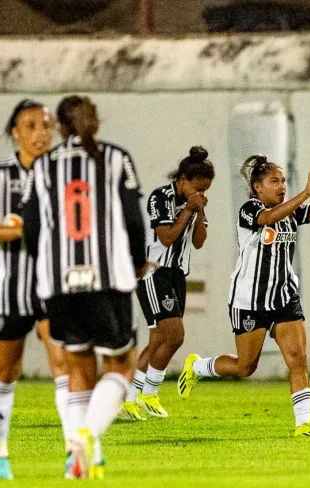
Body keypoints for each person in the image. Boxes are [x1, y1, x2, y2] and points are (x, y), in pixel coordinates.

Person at [177, 156, 310, 437]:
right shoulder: (250, 209)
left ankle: (303, 424)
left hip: (284, 296)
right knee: (245, 367)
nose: (281, 186)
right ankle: (197, 366)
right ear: (257, 187)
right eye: (274, 181)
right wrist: (305, 193)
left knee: (297, 358)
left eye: (283, 181)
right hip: (250, 301)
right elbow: (268, 218)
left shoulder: (290, 213)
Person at [22, 95, 149, 479]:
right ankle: (86, 437)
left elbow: (31, 228)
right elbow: (133, 219)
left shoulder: (43, 165)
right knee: (122, 365)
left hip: (59, 282)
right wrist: (136, 261)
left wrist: (46, 266)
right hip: (108, 279)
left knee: (78, 368)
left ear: (61, 127)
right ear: (96, 122)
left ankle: (74, 456)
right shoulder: (116, 158)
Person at [0, 99, 70, 480]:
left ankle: (74, 452)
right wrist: (19, 231)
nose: (41, 133)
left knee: (63, 366)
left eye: (46, 125)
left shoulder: (64, 173)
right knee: (5, 373)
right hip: (7, 290)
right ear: (15, 132)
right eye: (30, 126)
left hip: (52, 287)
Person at [120, 146, 214, 420]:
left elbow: (199, 242)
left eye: (205, 190)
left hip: (177, 273)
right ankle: (145, 393)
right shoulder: (161, 197)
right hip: (154, 271)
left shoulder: (194, 203)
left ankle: (134, 398)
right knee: (174, 335)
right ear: (182, 180)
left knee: (161, 339)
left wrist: (198, 213)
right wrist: (188, 210)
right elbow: (166, 238)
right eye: (197, 188)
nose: (200, 194)